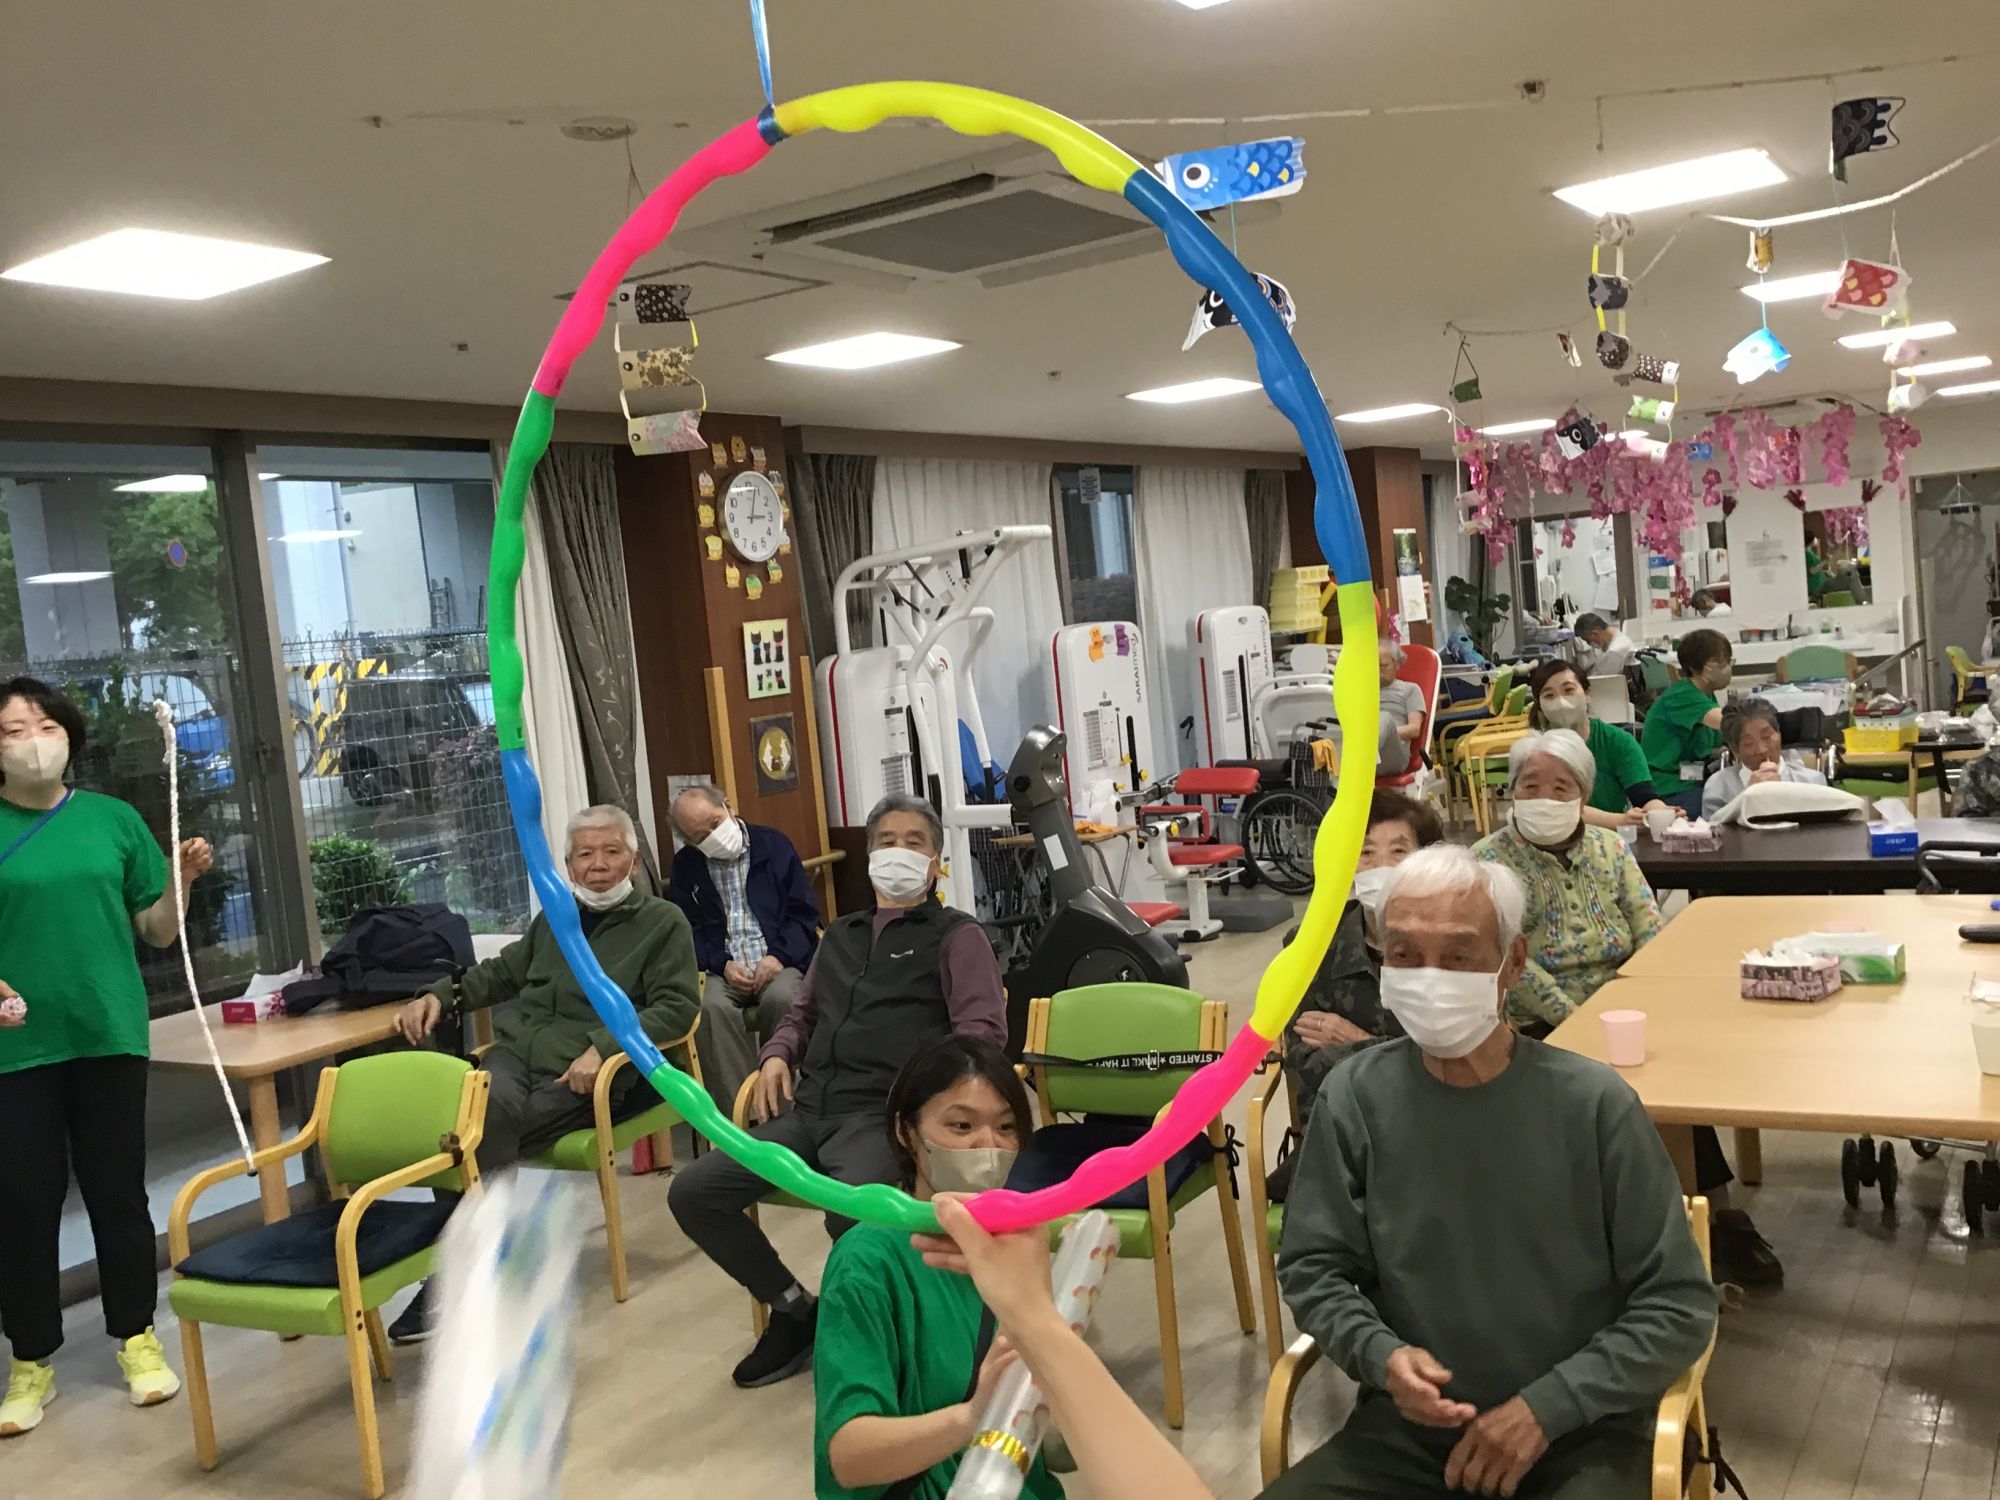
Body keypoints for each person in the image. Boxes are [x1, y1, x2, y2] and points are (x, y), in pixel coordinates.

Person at [1268, 844, 1718, 1498]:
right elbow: (1313, 1266)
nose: (1428, 979)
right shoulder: (1356, 1097)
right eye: (1404, 955)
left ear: (1514, 963)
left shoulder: (1593, 1106)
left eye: (1457, 957)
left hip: (1584, 1430)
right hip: (1412, 1435)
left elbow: (1678, 1303)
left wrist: (1549, 1407)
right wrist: (1382, 1357)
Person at [668, 793, 1008, 1389]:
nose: (898, 853)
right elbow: (802, 1013)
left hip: (883, 1116)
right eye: (886, 842)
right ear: (869, 855)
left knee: (853, 1218)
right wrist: (777, 1054)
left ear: (936, 862)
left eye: (915, 843)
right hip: (809, 1110)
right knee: (695, 1192)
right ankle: (796, 1311)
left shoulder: (957, 935)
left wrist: (928, 1105)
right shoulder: (842, 935)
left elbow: (982, 1035)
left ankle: (887, 1338)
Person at [1475, 732, 1779, 1287]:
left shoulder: (1609, 848)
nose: (1545, 797)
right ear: (1511, 791)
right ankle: (1618, 1237)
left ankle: (1715, 1214)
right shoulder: (1487, 863)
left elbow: (1648, 928)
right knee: (1587, 1090)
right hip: (1541, 1017)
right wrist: (1578, 1019)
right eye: (1531, 785)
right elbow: (1507, 962)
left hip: (1626, 1001)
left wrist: (1641, 1000)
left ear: (1584, 795)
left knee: (1675, 1076)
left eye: (1561, 787)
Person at [387, 803, 698, 1343]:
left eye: (612, 851)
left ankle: (461, 1277)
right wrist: (439, 995)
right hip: (515, 1055)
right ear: (568, 866)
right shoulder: (555, 917)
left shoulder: (663, 923)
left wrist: (602, 1048)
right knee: (466, 1125)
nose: (598, 864)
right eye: (585, 854)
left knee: (471, 1139)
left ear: (633, 860)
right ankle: (479, 1264)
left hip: (590, 1073)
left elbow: (677, 1009)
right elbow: (501, 974)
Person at [0, 677, 214, 1435]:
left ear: (69, 735)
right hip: (15, 1048)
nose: (32, 742)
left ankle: (137, 1337)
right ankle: (31, 1360)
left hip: (109, 1034)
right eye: (12, 730)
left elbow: (157, 931)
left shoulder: (114, 820)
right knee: (22, 1203)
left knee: (117, 1193)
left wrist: (181, 880)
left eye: (45, 726)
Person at [815, 1036, 1059, 1500]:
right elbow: (850, 1456)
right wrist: (974, 1417)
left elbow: (1055, 1449)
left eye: (1007, 1127)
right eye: (961, 1125)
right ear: (907, 1133)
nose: (988, 1146)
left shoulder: (1018, 1247)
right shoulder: (866, 1261)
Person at [1269, 791, 1443, 1202]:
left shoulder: (1451, 945)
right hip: (1342, 1137)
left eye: (1398, 852)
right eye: (1365, 853)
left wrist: (1356, 1041)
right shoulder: (1311, 946)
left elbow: (1455, 1064)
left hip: (1436, 1135)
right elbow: (1306, 1063)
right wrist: (1402, 1054)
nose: (1381, 867)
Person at [667, 783, 822, 1112]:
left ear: (728, 806)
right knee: (709, 1009)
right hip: (721, 969)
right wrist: (721, 963)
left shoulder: (774, 845)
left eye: (715, 823)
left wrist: (778, 956)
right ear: (689, 842)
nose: (713, 836)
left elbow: (804, 915)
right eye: (700, 836)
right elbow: (687, 931)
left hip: (779, 960)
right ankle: (740, 1114)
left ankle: (784, 1110)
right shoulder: (686, 866)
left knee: (783, 998)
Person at [1527, 659, 1677, 832]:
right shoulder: (1537, 751)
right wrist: (1620, 820)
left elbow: (1644, 796)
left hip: (1612, 839)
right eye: (1549, 695)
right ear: (1540, 705)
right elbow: (1557, 808)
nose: (1561, 701)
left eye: (1568, 690)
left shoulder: (1618, 742)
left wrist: (1661, 813)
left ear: (1587, 693)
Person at [1639, 629, 1731, 818]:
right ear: (1707, 667)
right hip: (1670, 787)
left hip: (1692, 778)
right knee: (1724, 807)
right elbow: (1729, 723)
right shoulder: (1681, 695)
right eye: (1725, 663)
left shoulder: (1705, 695)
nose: (1729, 668)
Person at [1701, 699, 1827, 819]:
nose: (1761, 749)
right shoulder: (1719, 786)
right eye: (1749, 743)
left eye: (1767, 736)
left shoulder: (1812, 782)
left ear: (1779, 734)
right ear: (1735, 750)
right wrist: (1749, 797)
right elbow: (1714, 830)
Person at [1374, 641, 1428, 776]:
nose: (1377, 670)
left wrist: (1388, 733)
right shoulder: (1361, 691)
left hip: (1393, 756)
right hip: (1368, 754)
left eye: (1383, 666)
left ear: (1396, 665)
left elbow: (1414, 729)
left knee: (1384, 718)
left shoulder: (1410, 689)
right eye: (1372, 665)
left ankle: (1366, 748)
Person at [1571, 612, 1636, 679]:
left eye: (1588, 640)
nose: (1589, 644)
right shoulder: (1617, 635)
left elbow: (1599, 680)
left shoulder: (1614, 651)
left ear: (1595, 633)